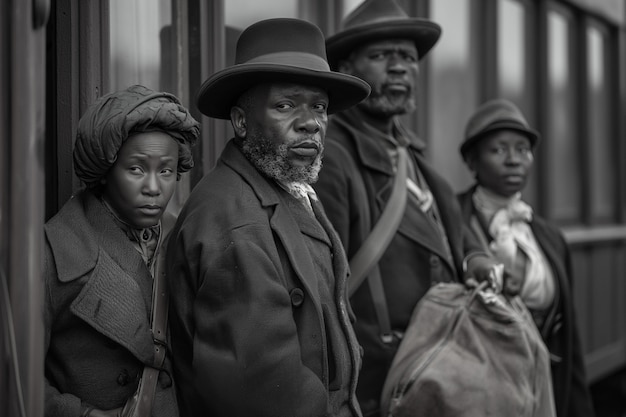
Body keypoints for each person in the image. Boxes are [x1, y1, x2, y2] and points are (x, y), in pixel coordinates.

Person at [165, 18, 371, 417]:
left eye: (319, 107)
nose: (311, 122)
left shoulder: (284, 187)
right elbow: (262, 392)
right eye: (285, 105)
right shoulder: (235, 221)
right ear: (241, 122)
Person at [313, 1, 501, 415]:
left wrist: (477, 257)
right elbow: (323, 292)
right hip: (377, 388)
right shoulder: (331, 157)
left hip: (432, 374)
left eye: (409, 58)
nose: (399, 68)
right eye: (381, 56)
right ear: (347, 69)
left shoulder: (412, 157)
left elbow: (453, 230)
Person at [43, 85, 199, 417]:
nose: (154, 188)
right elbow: (16, 375)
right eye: (137, 169)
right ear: (104, 172)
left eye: (166, 171)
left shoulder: (186, 238)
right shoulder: (54, 252)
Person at [456, 98, 596, 417]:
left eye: (522, 149)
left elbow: (568, 336)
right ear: (472, 161)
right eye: (499, 149)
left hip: (542, 389)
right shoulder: (452, 221)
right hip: (475, 391)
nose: (513, 160)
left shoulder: (550, 237)